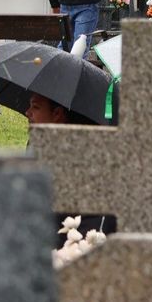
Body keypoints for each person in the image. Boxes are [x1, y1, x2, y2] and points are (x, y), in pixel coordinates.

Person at [26, 91, 119, 246]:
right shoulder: (37, 147)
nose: (27, 112)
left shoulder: (85, 162)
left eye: (35, 107)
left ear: (57, 114)